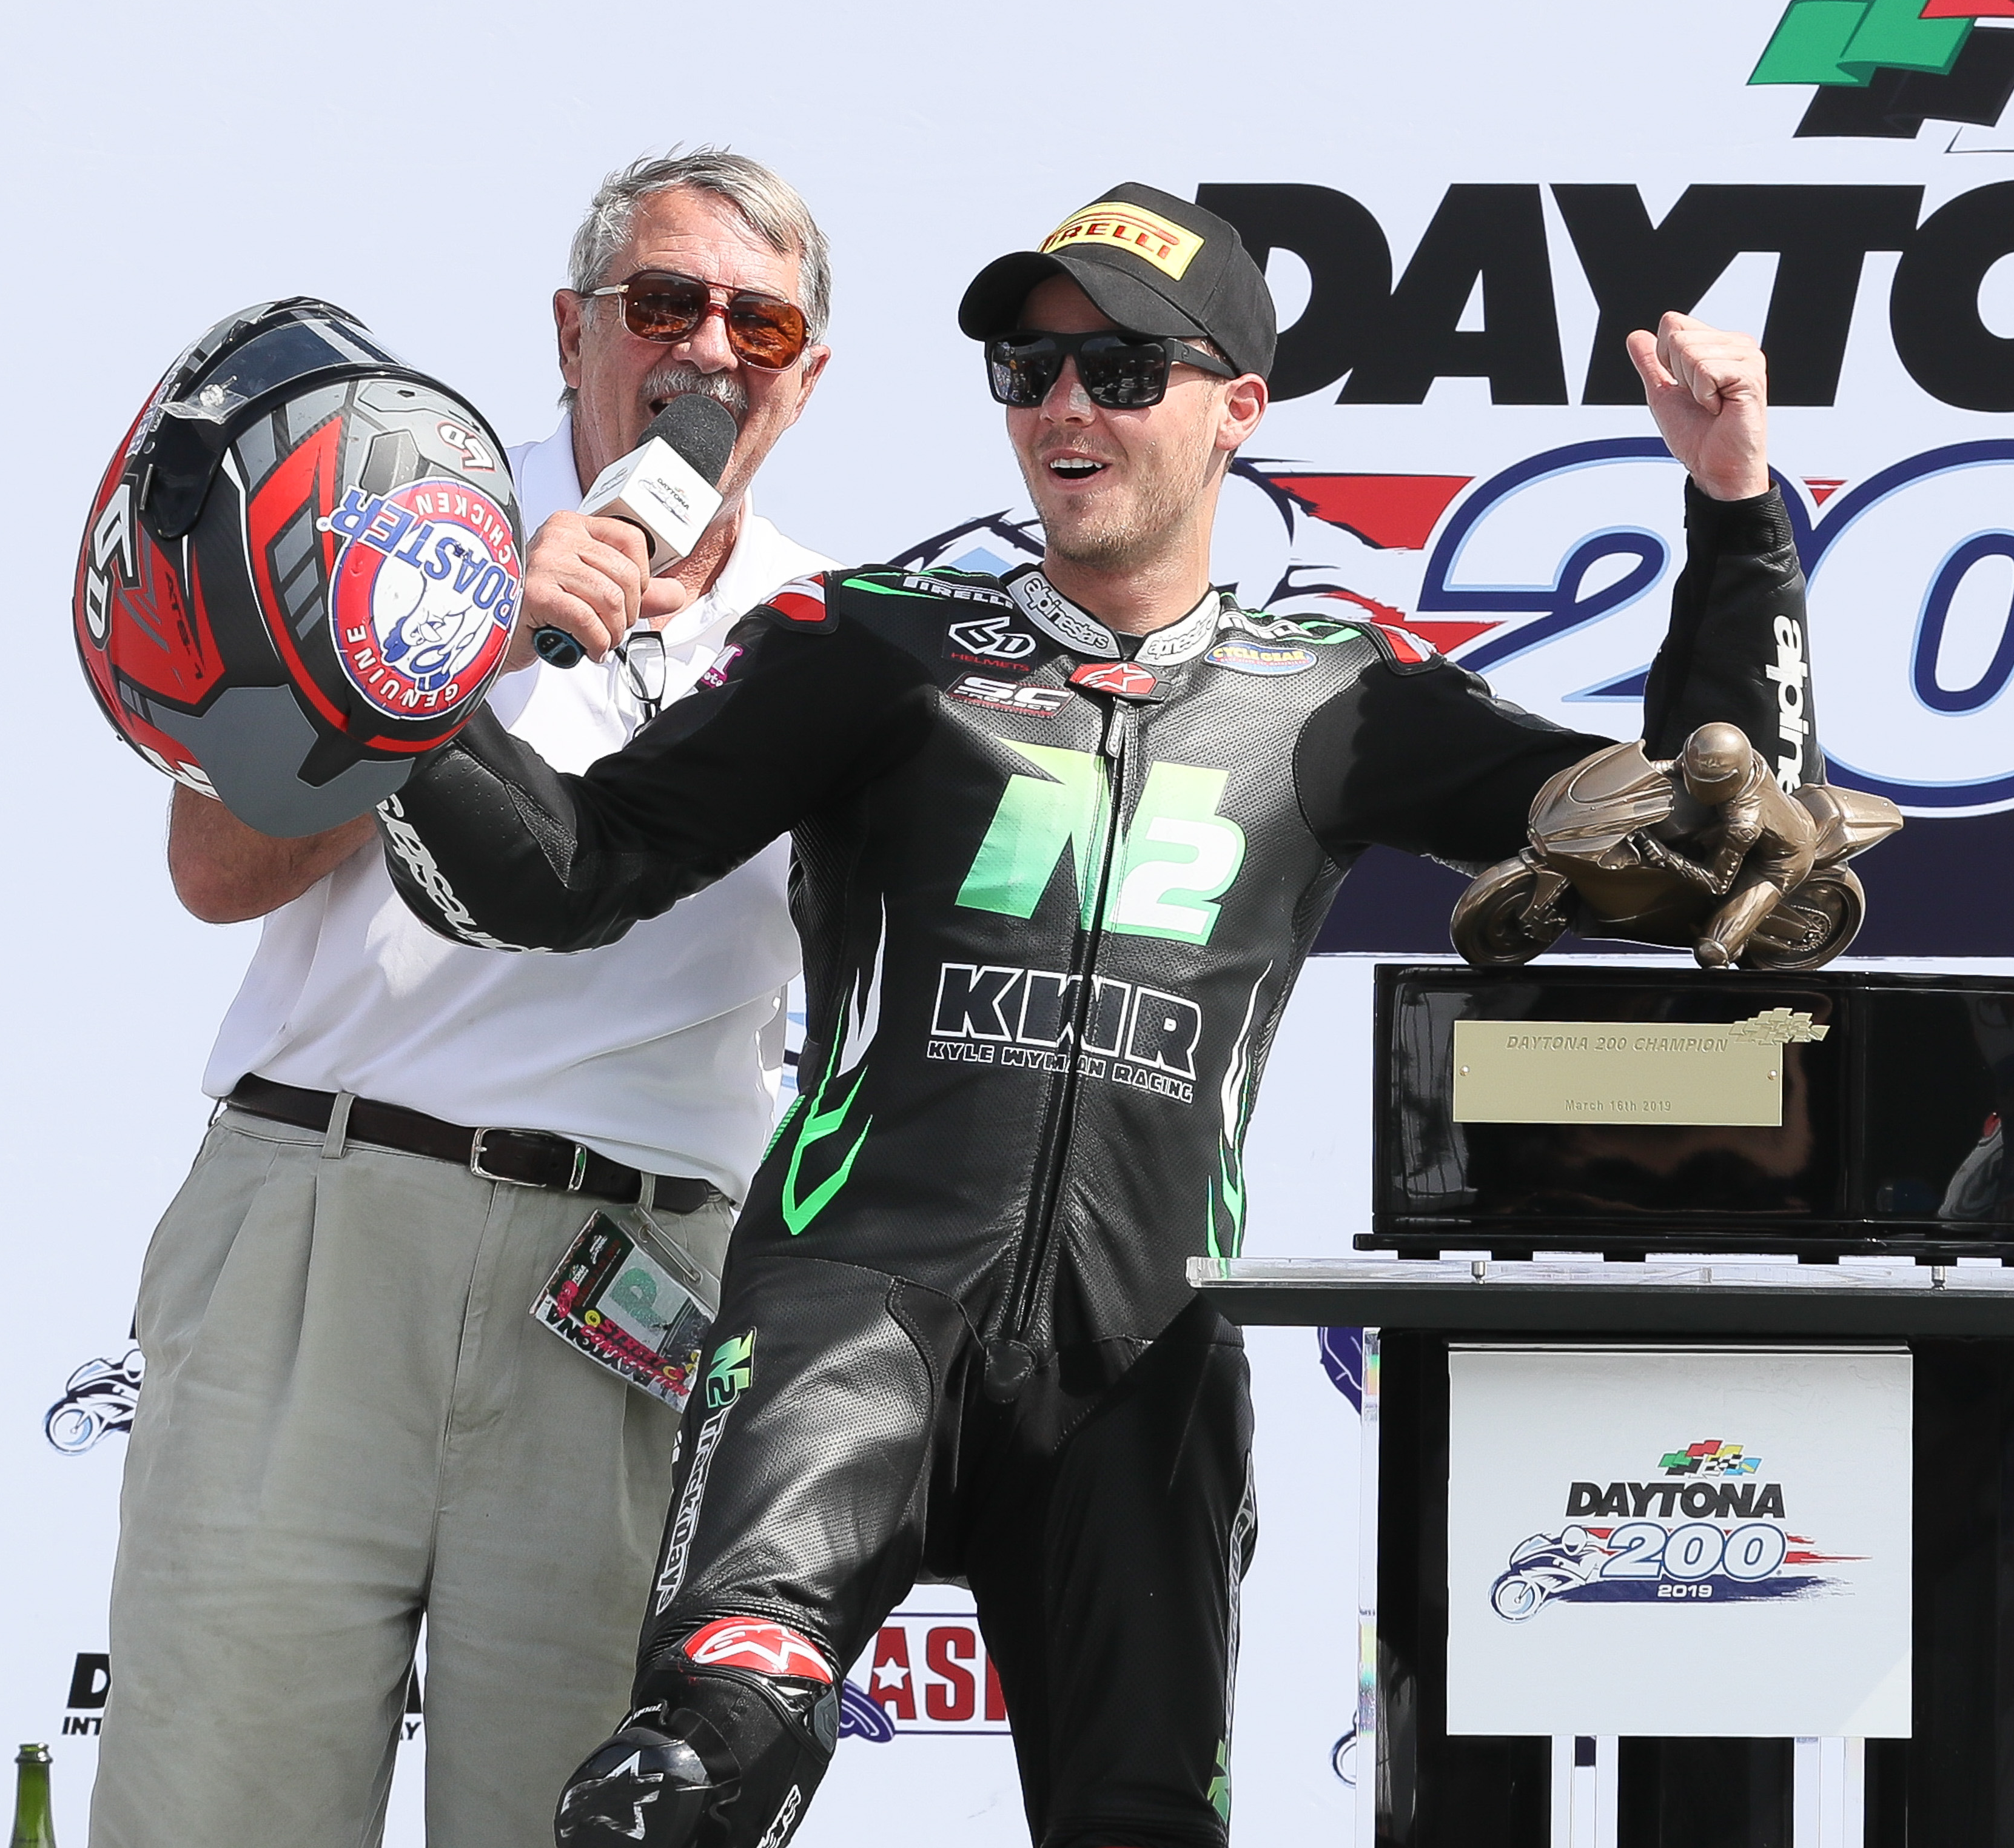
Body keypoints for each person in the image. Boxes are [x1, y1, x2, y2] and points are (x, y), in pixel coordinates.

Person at [371, 182, 1822, 1848]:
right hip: (852, 1313)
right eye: (1029, 367)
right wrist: (397, 686)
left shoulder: (1342, 695)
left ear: (1237, 409)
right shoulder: (869, 643)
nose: (1066, 406)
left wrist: (1735, 508)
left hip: (1144, 1358)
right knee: (688, 1777)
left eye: (1124, 370)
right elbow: (563, 871)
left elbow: (1727, 840)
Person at [95, 150, 838, 1848]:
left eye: (759, 323)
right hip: (321, 1231)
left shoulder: (839, 636)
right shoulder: (385, 525)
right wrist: (465, 630)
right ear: (574, 331)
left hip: (635, 1297)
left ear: (805, 378)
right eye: (665, 301)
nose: (707, 348)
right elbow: (214, 864)